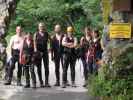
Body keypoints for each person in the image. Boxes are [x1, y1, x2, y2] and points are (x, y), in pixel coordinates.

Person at [34, 23, 51, 87]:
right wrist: (35, 49)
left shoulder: (46, 34)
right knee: (39, 67)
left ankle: (46, 82)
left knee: (46, 67)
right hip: (38, 52)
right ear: (38, 27)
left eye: (43, 26)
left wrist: (50, 47)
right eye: (40, 26)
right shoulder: (36, 34)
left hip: (45, 52)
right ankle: (41, 82)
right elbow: (34, 42)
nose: (42, 27)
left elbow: (50, 41)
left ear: (44, 27)